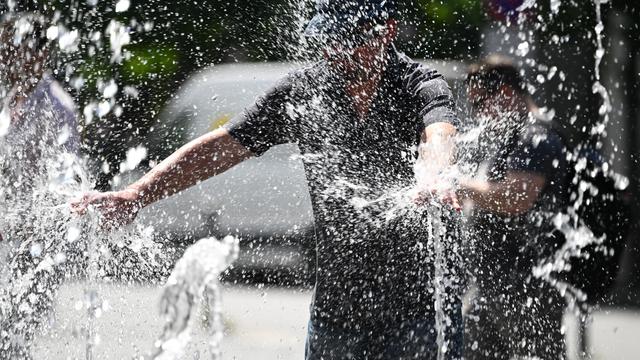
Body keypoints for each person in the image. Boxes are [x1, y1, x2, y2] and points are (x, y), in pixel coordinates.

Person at [73, 1, 464, 358]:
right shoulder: (305, 90)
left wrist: (434, 175)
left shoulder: (421, 85)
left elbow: (439, 133)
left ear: (387, 31)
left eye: (350, 40)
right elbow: (222, 146)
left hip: (419, 311)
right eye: (330, 39)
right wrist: (137, 194)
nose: (337, 51)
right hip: (335, 312)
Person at [457, 55, 570, 360]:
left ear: (506, 93)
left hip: (525, 289)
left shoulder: (536, 137)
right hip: (492, 285)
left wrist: (459, 186)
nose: (477, 114)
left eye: (480, 104)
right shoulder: (511, 134)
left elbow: (516, 198)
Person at [0, 12, 81, 358]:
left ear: (37, 54)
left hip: (32, 240)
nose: (4, 55)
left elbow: (65, 178)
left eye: (11, 47)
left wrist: (31, 221)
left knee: (15, 334)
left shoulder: (58, 108)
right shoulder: (7, 97)